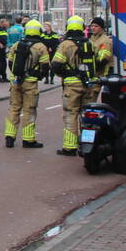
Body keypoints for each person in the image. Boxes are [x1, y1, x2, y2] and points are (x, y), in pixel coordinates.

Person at [50, 15, 98, 156]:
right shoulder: (89, 43)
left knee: (71, 115)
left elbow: (56, 65)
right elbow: (96, 63)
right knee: (88, 117)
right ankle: (87, 146)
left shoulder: (66, 45)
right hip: (88, 85)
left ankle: (70, 147)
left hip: (72, 86)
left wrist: (67, 74)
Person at [3, 19, 51, 148]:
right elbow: (45, 66)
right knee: (29, 110)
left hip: (16, 82)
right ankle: (28, 139)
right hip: (30, 83)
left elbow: (10, 62)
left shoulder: (17, 44)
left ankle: (9, 137)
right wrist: (39, 76)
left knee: (14, 108)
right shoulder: (41, 47)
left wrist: (15, 75)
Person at [87, 16, 114, 100]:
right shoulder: (89, 39)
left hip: (103, 72)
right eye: (92, 26)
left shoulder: (105, 40)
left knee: (103, 95)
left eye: (96, 26)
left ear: (101, 28)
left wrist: (92, 64)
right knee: (90, 95)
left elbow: (104, 58)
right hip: (93, 72)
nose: (93, 28)